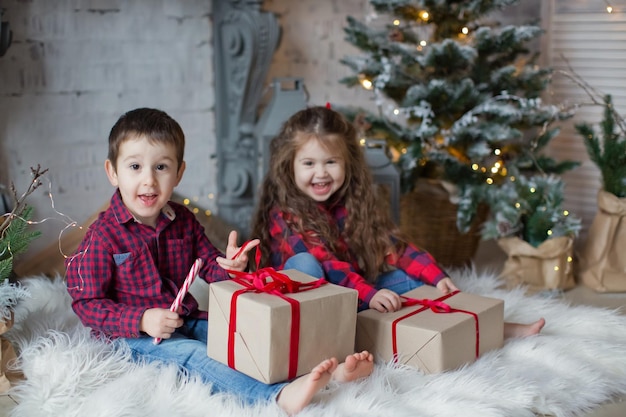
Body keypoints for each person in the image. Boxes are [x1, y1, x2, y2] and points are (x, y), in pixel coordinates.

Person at [64, 107, 374, 416]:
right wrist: (142, 320)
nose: (148, 180)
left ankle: (323, 374)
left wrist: (231, 266)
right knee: (198, 356)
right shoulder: (103, 237)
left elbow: (210, 265)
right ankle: (275, 397)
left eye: (161, 167)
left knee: (247, 336)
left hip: (186, 320)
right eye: (135, 167)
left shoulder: (182, 219)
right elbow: (86, 303)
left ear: (179, 173)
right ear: (113, 172)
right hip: (137, 340)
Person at [250, 105, 545, 339]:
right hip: (314, 302)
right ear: (289, 165)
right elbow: (327, 265)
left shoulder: (350, 201)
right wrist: (370, 294)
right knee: (306, 266)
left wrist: (436, 276)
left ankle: (487, 328)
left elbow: (391, 245)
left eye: (331, 162)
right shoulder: (284, 213)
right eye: (309, 163)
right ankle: (346, 332)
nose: (321, 173)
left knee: (412, 283)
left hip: (352, 290)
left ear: (347, 162)